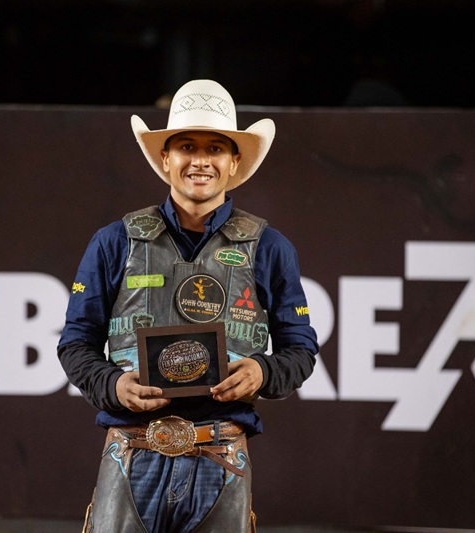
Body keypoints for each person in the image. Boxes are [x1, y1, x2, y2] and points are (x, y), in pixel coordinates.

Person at [58, 79, 318, 532]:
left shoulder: (270, 248)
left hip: (222, 454)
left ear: (234, 161)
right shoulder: (113, 242)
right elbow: (75, 344)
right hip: (131, 450)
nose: (200, 160)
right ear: (165, 158)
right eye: (186, 146)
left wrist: (263, 373)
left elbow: (301, 348)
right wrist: (114, 385)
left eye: (216, 148)